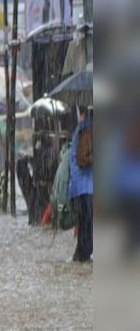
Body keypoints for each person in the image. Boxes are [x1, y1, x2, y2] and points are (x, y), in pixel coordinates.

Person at [68, 106, 93, 262]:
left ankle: (79, 261)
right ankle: (80, 260)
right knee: (87, 233)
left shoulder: (85, 127)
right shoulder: (89, 129)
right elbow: (82, 159)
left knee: (87, 228)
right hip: (85, 187)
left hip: (83, 188)